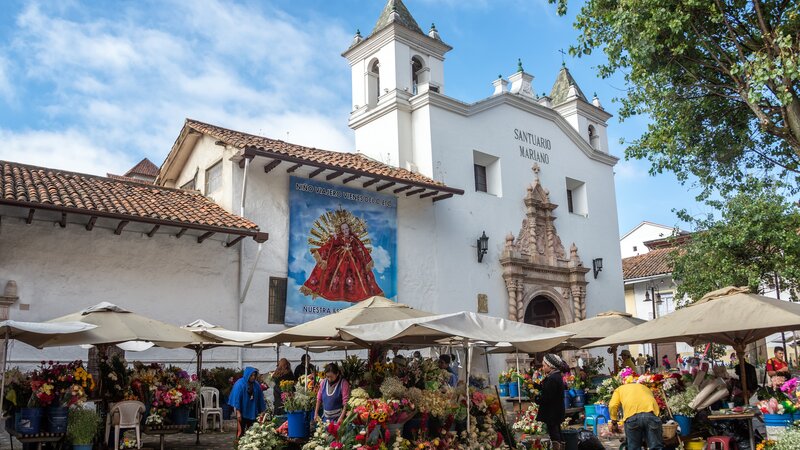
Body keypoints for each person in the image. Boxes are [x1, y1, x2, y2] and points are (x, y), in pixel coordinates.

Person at [300, 220, 384, 302]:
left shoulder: (354, 238)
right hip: (338, 259)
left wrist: (366, 260)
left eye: (346, 228)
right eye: (343, 229)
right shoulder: (338, 237)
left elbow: (361, 249)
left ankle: (353, 293)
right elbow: (330, 246)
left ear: (349, 228)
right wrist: (334, 240)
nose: (345, 231)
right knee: (334, 274)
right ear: (341, 230)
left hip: (353, 260)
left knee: (357, 275)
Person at [609, 381, 664, 450]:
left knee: (634, 448)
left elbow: (612, 405)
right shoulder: (645, 387)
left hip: (632, 418)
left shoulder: (619, 389)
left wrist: (614, 420)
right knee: (656, 447)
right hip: (651, 415)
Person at [535, 354, 566, 450]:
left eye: (544, 366)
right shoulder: (555, 376)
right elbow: (548, 390)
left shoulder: (553, 378)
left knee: (554, 434)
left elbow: (547, 397)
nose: (543, 368)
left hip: (552, 412)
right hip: (556, 411)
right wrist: (536, 386)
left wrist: (536, 398)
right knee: (557, 433)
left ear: (550, 366)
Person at [228, 367, 266, 440]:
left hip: (253, 411)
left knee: (253, 432)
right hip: (242, 411)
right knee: (241, 431)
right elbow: (236, 399)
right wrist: (238, 412)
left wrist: (262, 411)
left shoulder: (256, 385)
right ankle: (239, 445)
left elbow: (260, 398)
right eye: (251, 375)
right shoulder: (240, 384)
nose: (253, 377)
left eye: (254, 375)